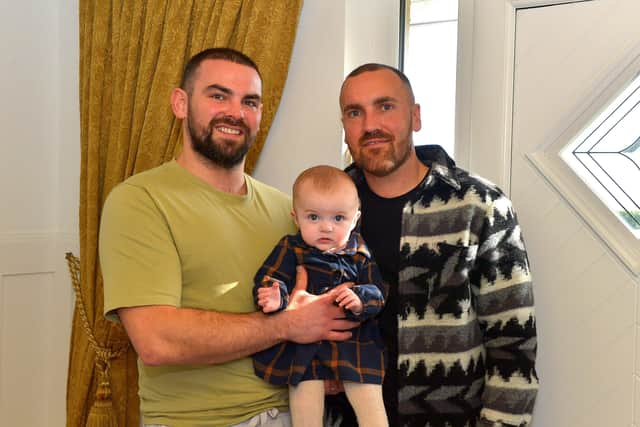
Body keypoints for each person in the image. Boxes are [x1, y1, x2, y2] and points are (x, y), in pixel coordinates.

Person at [99, 48, 359, 427]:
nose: (235, 112)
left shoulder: (290, 210)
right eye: (218, 95)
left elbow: (318, 308)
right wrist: (286, 325)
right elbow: (157, 341)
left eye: (249, 101)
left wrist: (332, 359)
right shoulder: (140, 201)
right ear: (180, 103)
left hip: (298, 413)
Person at [325, 63, 539, 427]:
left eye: (385, 106)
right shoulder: (324, 209)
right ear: (344, 127)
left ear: (415, 116)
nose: (370, 124)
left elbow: (513, 345)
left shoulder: (479, 204)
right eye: (354, 112)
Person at [252, 165, 388, 427]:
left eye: (338, 218)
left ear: (355, 218)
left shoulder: (359, 252)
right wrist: (275, 296)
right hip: (306, 350)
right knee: (305, 413)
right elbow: (271, 277)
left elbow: (378, 292)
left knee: (372, 410)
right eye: (313, 217)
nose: (326, 227)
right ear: (296, 217)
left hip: (354, 346)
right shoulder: (291, 248)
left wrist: (361, 298)